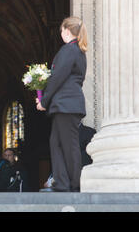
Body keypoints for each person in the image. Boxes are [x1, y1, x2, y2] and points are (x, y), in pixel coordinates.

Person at [36, 16, 88, 192]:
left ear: (66, 30)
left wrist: (44, 101)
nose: (60, 35)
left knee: (67, 144)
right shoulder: (78, 51)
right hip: (69, 104)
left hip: (66, 105)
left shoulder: (68, 50)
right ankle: (63, 183)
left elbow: (58, 78)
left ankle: (73, 183)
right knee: (57, 143)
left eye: (61, 32)